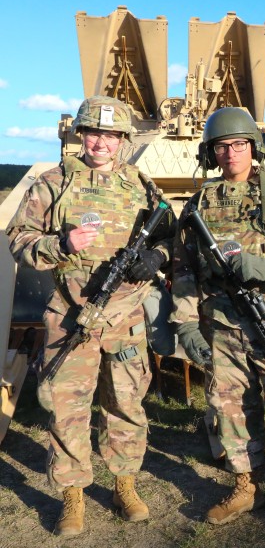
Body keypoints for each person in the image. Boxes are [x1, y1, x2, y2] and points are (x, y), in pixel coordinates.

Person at [6, 96, 175, 536]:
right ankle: (73, 494)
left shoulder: (140, 184)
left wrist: (156, 256)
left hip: (124, 317)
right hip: (70, 315)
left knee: (125, 403)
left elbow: (172, 235)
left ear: (123, 140)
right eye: (94, 133)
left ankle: (124, 484)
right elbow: (18, 240)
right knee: (67, 408)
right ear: (81, 135)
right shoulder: (53, 182)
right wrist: (61, 245)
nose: (101, 143)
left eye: (111, 135)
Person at [170, 107, 265, 541]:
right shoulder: (201, 203)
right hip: (222, 325)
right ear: (211, 152)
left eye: (239, 144)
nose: (232, 152)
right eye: (223, 145)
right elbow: (183, 268)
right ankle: (244, 485)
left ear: (254, 147)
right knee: (229, 408)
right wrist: (185, 324)